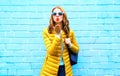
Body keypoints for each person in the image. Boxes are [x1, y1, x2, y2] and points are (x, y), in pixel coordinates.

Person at [40, 6, 79, 76]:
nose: (57, 15)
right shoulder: (46, 31)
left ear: (63, 16)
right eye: (54, 14)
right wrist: (57, 36)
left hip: (64, 68)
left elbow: (76, 50)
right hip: (50, 68)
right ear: (52, 16)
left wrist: (70, 44)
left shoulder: (70, 32)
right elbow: (51, 51)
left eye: (60, 13)